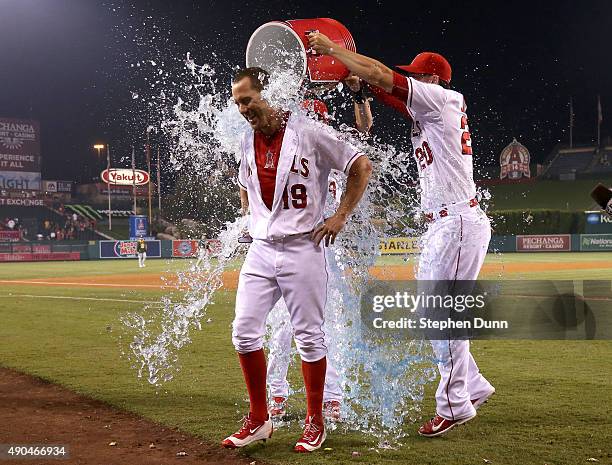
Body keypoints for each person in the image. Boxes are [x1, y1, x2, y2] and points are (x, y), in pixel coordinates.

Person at [308, 33, 495, 438]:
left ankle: (454, 405)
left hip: (457, 223)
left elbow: (382, 76)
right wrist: (361, 91)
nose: (408, 80)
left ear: (433, 80)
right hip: (446, 224)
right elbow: (385, 92)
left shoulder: (442, 99)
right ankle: (472, 385)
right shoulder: (434, 109)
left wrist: (335, 51)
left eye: (415, 76)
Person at [221, 67, 372, 453]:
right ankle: (259, 419)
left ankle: (315, 422)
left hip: (304, 246)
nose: (242, 109)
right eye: (238, 103)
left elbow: (360, 165)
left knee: (309, 337)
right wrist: (251, 219)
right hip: (262, 247)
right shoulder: (245, 140)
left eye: (247, 100)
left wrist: (339, 216)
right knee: (244, 332)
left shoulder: (309, 132)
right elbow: (245, 184)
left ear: (267, 94)